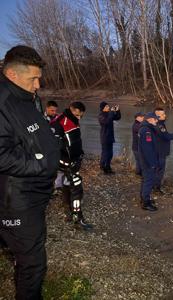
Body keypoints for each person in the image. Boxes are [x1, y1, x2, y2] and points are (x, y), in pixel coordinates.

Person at [0, 45, 60, 299]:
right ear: (12, 75)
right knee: (32, 263)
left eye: (39, 78)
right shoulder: (3, 103)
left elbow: (31, 135)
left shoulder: (29, 97)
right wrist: (39, 164)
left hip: (34, 194)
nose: (38, 85)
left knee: (30, 247)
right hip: (16, 199)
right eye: (33, 79)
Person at [50, 101, 92, 230]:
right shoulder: (60, 122)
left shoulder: (72, 120)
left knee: (68, 185)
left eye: (81, 116)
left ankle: (69, 212)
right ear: (72, 109)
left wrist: (79, 154)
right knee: (77, 188)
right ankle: (77, 218)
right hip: (66, 161)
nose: (79, 117)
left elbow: (74, 142)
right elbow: (54, 144)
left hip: (73, 159)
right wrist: (67, 161)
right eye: (78, 114)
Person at [138, 112, 160, 211]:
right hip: (147, 162)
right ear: (150, 119)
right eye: (155, 119)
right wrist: (152, 164)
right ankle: (145, 203)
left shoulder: (145, 129)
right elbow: (147, 149)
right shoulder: (146, 131)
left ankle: (143, 198)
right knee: (148, 181)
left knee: (145, 180)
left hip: (145, 160)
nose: (157, 121)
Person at [98, 101, 121, 174]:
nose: (108, 107)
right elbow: (107, 122)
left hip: (110, 137)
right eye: (107, 106)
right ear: (103, 108)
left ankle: (106, 166)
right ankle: (104, 168)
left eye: (108, 106)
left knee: (110, 154)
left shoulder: (109, 114)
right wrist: (111, 112)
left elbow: (117, 117)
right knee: (106, 153)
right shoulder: (101, 116)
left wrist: (117, 111)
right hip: (105, 137)